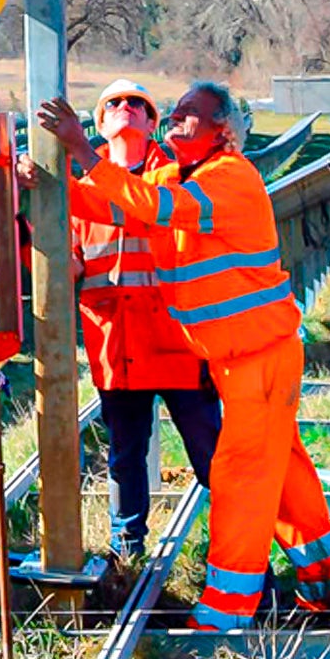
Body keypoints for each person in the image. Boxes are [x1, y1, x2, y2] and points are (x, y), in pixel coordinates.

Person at [37, 81, 330, 629]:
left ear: (223, 131)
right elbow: (119, 207)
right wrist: (52, 187)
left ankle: (227, 607)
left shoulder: (229, 178)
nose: (176, 120)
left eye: (191, 115)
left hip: (260, 353)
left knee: (238, 472)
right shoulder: (175, 175)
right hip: (237, 357)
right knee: (281, 471)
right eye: (178, 112)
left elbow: (156, 207)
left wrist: (83, 150)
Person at [74, 80, 221, 561]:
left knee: (210, 454)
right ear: (100, 123)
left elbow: (140, 211)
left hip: (178, 343)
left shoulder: (178, 176)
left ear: (152, 122)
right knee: (124, 455)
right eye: (113, 103)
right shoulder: (79, 193)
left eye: (137, 103)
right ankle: (127, 549)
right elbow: (71, 261)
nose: (125, 108)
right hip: (116, 345)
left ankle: (238, 547)